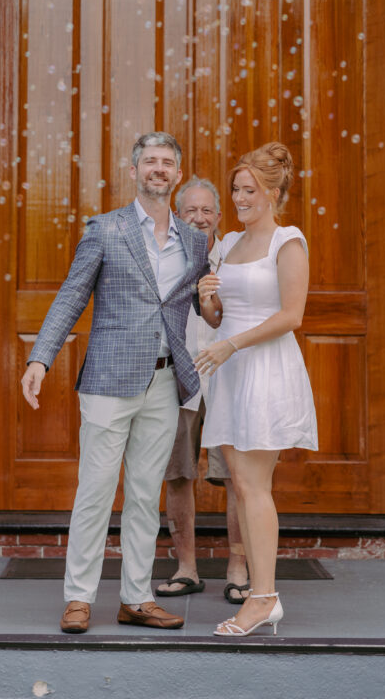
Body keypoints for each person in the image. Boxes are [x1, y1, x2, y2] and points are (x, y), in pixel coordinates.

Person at [21, 132, 209, 635]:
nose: (159, 169)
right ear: (134, 171)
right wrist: (41, 357)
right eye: (151, 161)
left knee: (146, 495)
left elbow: (198, 305)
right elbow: (71, 296)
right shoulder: (105, 229)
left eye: (168, 162)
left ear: (176, 172)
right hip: (107, 380)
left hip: (165, 382)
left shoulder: (194, 241)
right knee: (96, 492)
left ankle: (136, 598)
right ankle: (79, 598)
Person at [195, 142, 318, 638]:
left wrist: (233, 345)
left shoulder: (287, 241)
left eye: (249, 190)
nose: (239, 198)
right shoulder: (226, 243)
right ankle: (260, 594)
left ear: (272, 192)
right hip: (230, 369)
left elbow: (292, 315)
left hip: (264, 368)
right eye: (236, 189)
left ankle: (264, 597)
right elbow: (218, 315)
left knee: (254, 485)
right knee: (240, 486)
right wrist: (207, 304)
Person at [155, 177, 249, 604]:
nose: (198, 217)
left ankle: (238, 567)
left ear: (218, 216)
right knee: (178, 474)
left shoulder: (235, 254)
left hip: (230, 375)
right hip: (180, 376)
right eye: (189, 210)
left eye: (206, 210)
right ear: (177, 214)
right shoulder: (164, 256)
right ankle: (187, 568)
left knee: (237, 477)